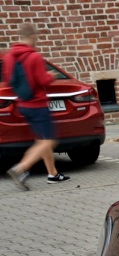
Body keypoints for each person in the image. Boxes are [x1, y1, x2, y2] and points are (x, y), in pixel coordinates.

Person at [3, 23, 69, 190]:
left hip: (23, 104)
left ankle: (52, 174)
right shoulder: (35, 57)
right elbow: (42, 81)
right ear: (32, 37)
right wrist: (51, 76)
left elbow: (10, 80)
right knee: (49, 141)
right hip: (38, 105)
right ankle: (21, 169)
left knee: (41, 140)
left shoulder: (9, 57)